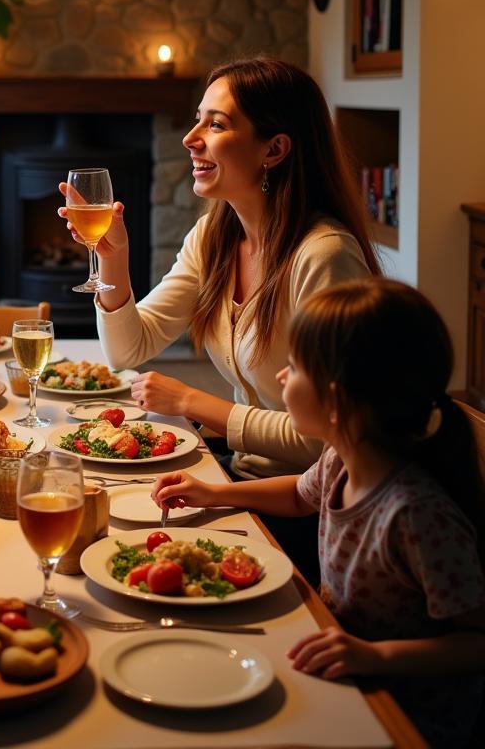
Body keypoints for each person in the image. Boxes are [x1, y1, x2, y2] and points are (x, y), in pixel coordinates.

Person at [152, 279, 485, 747]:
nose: (283, 379)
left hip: (401, 711)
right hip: (339, 654)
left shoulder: (414, 515)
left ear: (338, 398)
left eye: (294, 367)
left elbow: (475, 642)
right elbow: (297, 497)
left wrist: (377, 657)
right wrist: (213, 493)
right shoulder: (340, 458)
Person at [61, 58, 379, 480]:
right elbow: (128, 349)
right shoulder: (213, 237)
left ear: (275, 149)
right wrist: (112, 258)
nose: (190, 139)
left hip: (310, 506)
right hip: (239, 472)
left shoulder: (324, 257)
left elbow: (325, 439)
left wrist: (192, 401)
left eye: (216, 125)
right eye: (197, 121)